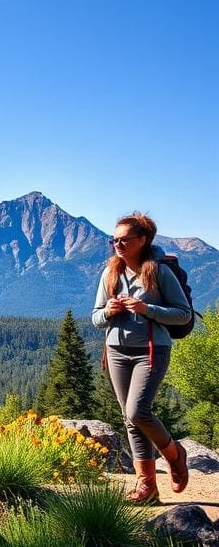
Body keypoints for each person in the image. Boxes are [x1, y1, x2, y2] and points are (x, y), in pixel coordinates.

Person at [92, 212, 191, 503]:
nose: (118, 245)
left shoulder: (159, 272)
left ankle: (174, 454)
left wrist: (146, 309)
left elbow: (183, 313)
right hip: (116, 352)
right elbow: (95, 316)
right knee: (130, 418)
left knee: (138, 411)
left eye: (124, 240)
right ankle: (147, 486)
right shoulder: (110, 272)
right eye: (114, 240)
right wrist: (109, 311)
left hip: (152, 350)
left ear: (143, 240)